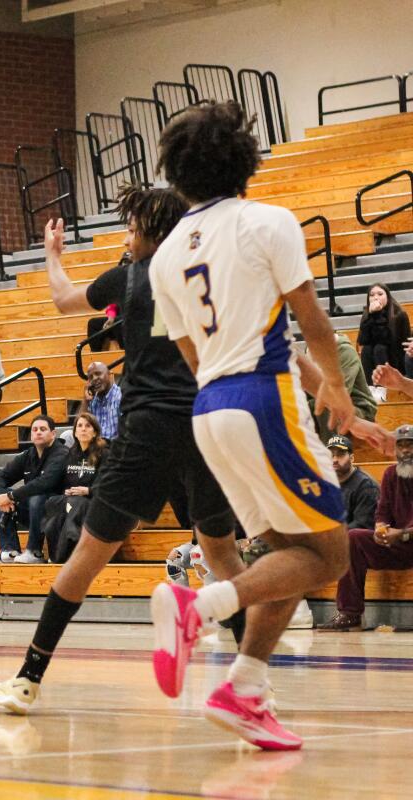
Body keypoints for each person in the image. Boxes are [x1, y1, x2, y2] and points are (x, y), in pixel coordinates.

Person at [147, 101, 393, 750]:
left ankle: (245, 688)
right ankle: (197, 607)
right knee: (330, 553)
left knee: (291, 552)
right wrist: (340, 390)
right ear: (244, 158)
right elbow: (309, 319)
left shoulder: (167, 254)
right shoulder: (266, 222)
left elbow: (201, 356)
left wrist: (327, 397)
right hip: (263, 403)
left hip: (211, 409)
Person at [0, 185, 246, 719]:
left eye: (131, 229)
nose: (126, 238)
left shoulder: (128, 277)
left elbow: (62, 300)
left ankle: (28, 678)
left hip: (148, 429)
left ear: (150, 231)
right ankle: (252, 677)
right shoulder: (208, 273)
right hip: (204, 424)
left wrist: (53, 256)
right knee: (223, 555)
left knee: (88, 556)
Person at [318, 425, 413, 631]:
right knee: (353, 538)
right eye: (401, 445)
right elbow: (383, 511)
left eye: (410, 445)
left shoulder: (364, 485)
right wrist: (380, 527)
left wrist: (403, 533)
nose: (405, 450)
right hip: (399, 544)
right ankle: (350, 614)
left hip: (406, 539)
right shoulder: (390, 474)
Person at [0, 415, 69, 564]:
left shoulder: (61, 453)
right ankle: (9, 550)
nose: (38, 432)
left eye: (43, 429)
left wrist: (11, 496)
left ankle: (34, 552)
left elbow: (44, 483)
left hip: (57, 513)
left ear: (53, 434)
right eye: (35, 429)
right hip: (34, 513)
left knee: (37, 497)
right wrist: (1, 495)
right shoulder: (28, 455)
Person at [43, 413, 107, 564]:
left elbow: (109, 485)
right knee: (52, 503)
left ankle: (65, 552)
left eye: (87, 426)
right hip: (70, 500)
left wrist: (88, 491)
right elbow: (58, 482)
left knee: (77, 504)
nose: (83, 429)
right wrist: (64, 491)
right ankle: (56, 554)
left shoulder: (104, 454)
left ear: (95, 432)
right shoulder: (69, 454)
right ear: (75, 432)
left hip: (93, 500)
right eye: (80, 426)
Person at [358, 282, 410, 401]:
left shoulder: (399, 314)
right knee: (366, 349)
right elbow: (363, 340)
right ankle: (370, 387)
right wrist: (372, 316)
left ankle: (382, 388)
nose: (376, 298)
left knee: (379, 348)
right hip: (375, 358)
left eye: (380, 294)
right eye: (372, 295)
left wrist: (377, 315)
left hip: (395, 359)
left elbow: (388, 341)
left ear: (388, 296)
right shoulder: (367, 314)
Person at [327, 435, 379, 531]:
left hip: (354, 541)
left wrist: (330, 535)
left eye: (340, 454)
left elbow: (361, 526)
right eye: (331, 455)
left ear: (352, 458)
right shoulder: (327, 482)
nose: (334, 460)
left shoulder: (366, 486)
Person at [79, 361, 121, 439]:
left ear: (109, 374)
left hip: (116, 447)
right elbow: (79, 429)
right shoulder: (92, 401)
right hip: (96, 448)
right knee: (67, 435)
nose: (94, 378)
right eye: (90, 377)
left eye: (98, 374)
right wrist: (85, 400)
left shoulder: (121, 396)